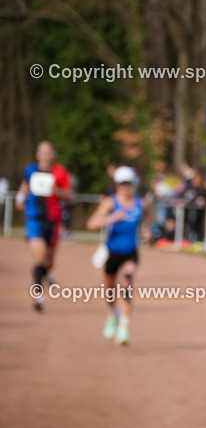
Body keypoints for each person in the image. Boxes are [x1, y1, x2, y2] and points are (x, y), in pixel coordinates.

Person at [86, 167, 150, 345]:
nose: (126, 188)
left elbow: (148, 219)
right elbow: (91, 224)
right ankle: (113, 314)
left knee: (127, 283)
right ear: (117, 185)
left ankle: (123, 328)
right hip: (112, 251)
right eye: (122, 184)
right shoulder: (110, 203)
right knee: (109, 291)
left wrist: (147, 230)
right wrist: (111, 218)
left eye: (128, 184)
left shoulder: (141, 203)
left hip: (131, 251)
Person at [16, 141, 72, 312]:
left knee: (49, 262)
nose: (46, 156)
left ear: (53, 155)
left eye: (49, 152)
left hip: (53, 220)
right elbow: (25, 187)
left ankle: (47, 273)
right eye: (43, 152)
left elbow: (68, 196)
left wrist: (58, 191)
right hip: (34, 219)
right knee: (39, 257)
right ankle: (38, 296)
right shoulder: (30, 170)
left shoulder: (60, 172)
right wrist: (20, 199)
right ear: (38, 154)